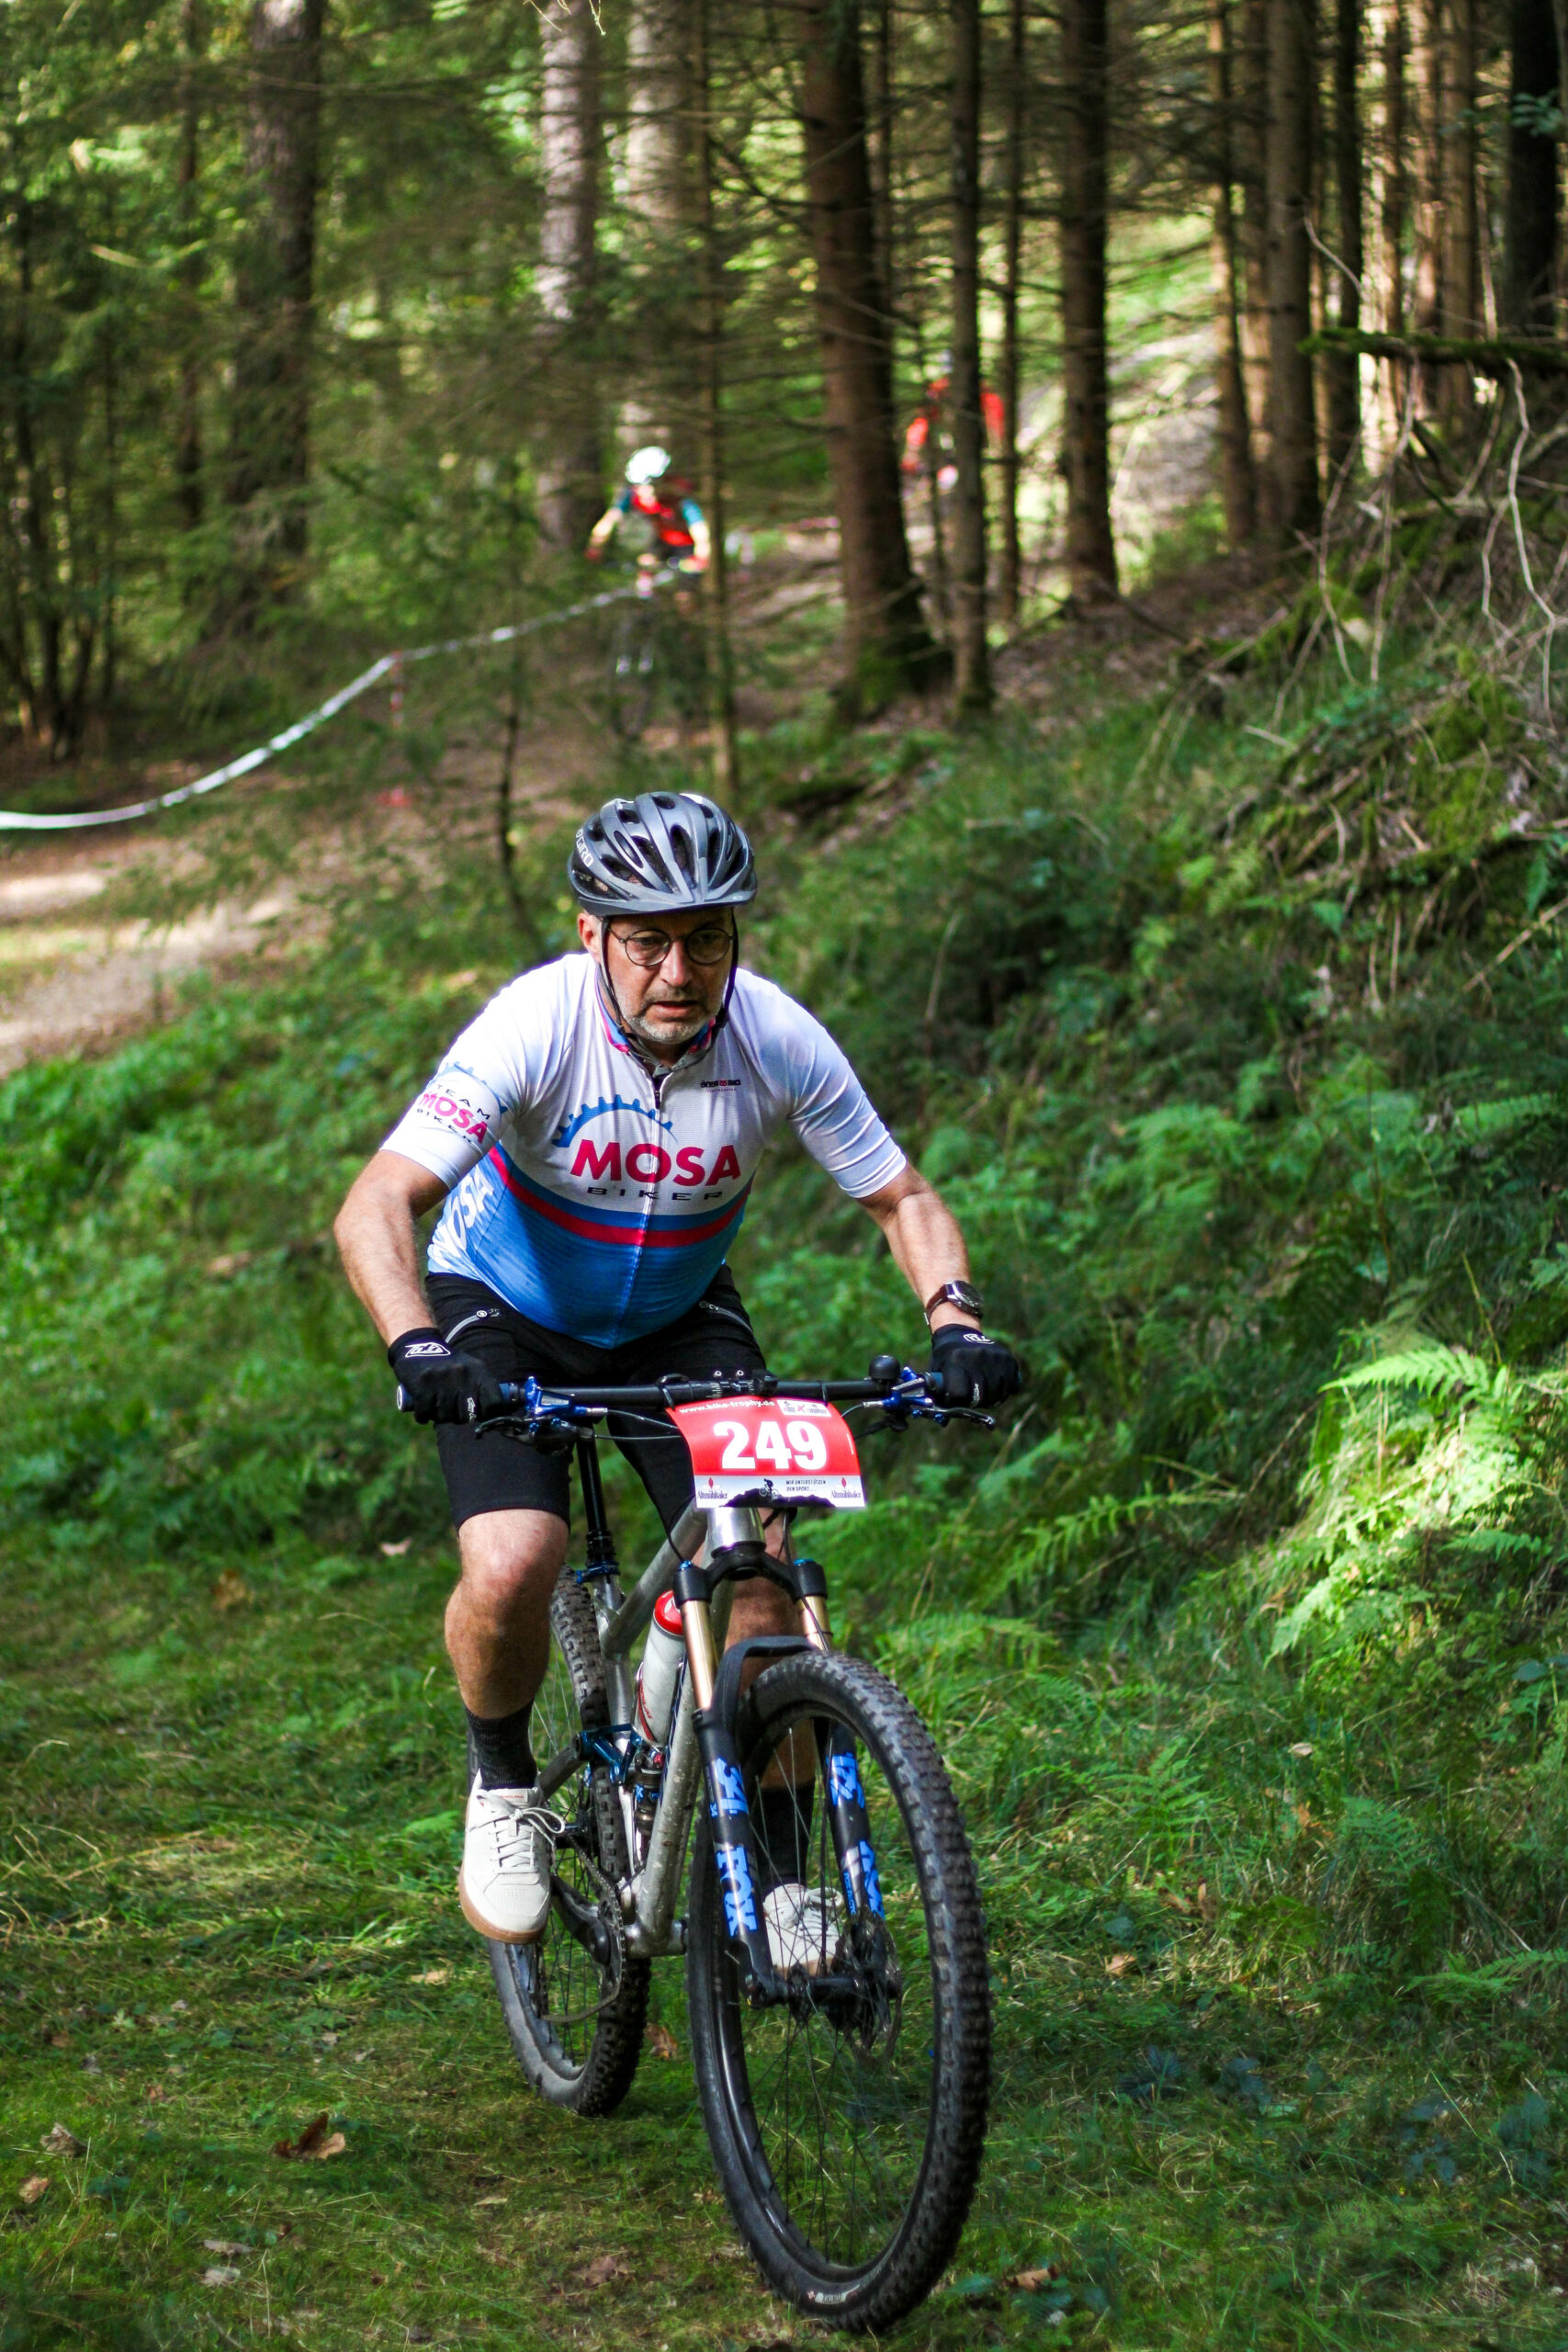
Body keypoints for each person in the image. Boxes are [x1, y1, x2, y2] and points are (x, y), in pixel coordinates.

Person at [333, 792, 1021, 1956]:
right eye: (647, 940)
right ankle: (503, 1784)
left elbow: (902, 1197)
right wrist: (418, 1346)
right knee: (514, 1559)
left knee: (760, 1585)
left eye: (706, 937)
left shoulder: (774, 1034)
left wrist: (955, 1324)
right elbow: (377, 1202)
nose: (678, 970)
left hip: (676, 1313)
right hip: (501, 1305)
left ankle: (783, 1879)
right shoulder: (536, 1024)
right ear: (593, 935)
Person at [585, 445, 710, 575]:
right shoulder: (632, 494)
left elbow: (698, 526)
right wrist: (595, 546)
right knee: (646, 569)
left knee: (687, 581)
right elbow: (610, 519)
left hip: (685, 546)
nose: (646, 491)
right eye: (639, 485)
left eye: (652, 484)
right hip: (658, 543)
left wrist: (701, 556)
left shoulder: (678, 496)